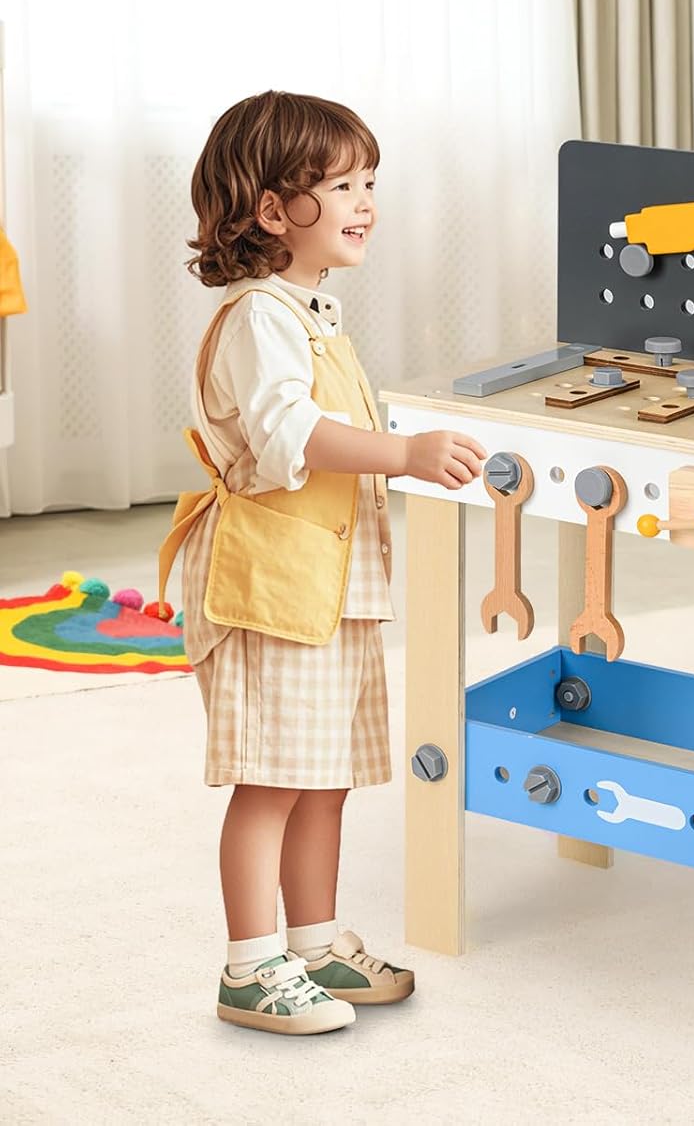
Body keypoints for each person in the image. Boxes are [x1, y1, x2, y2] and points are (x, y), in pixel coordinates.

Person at [158, 91, 486, 1034]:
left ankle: (313, 944)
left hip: (328, 587)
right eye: (340, 185)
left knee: (322, 772)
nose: (365, 201)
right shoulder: (258, 317)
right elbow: (290, 431)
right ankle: (249, 968)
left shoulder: (310, 314)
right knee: (271, 777)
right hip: (271, 589)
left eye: (368, 181)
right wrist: (405, 455)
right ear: (272, 210)